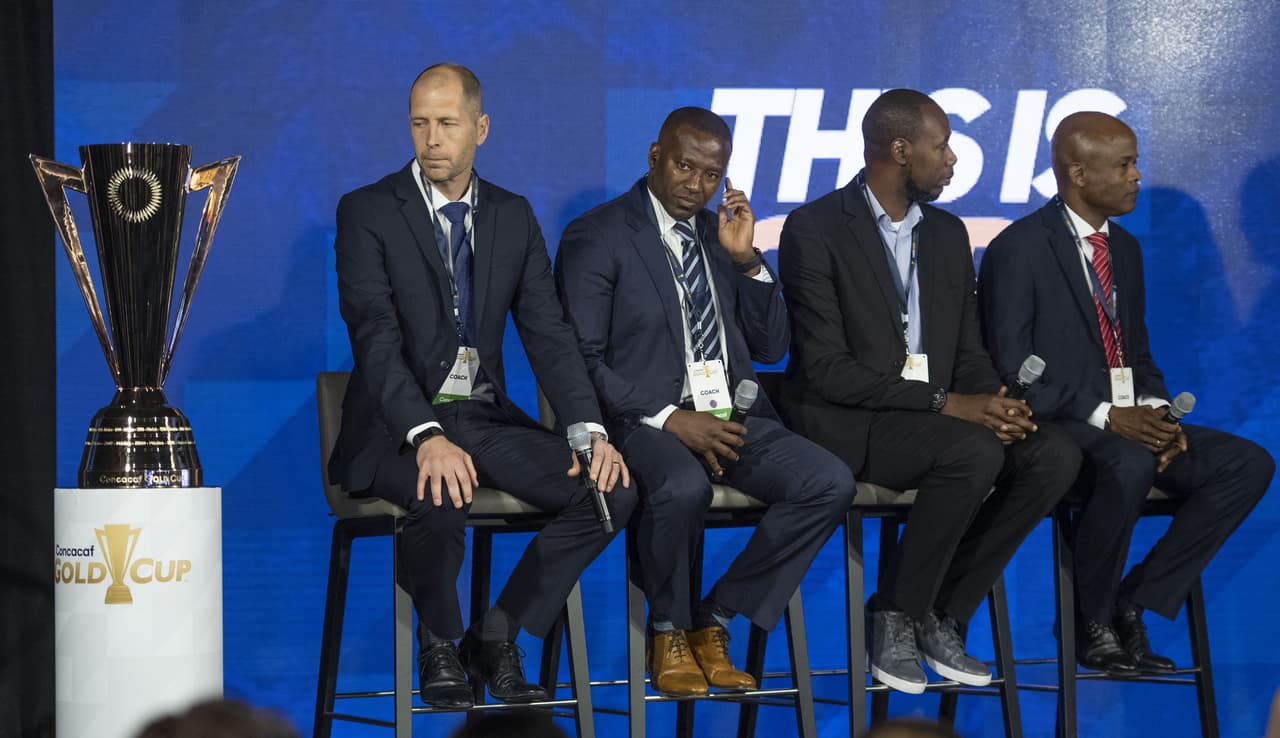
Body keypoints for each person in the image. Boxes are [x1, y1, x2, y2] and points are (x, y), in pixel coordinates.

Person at [329, 63, 636, 707]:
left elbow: (548, 334)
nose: (431, 139)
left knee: (609, 490)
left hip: (484, 418)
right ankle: (438, 641)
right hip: (395, 428)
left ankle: (497, 632)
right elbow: (375, 337)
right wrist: (426, 434)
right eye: (419, 123)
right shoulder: (367, 212)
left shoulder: (512, 216)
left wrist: (589, 431)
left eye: (447, 123)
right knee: (439, 488)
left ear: (481, 128)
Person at [777, 88, 1079, 694]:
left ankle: (943, 611)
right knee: (971, 451)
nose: (952, 160)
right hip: (849, 419)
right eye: (940, 146)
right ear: (898, 149)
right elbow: (829, 369)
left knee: (1052, 455)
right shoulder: (814, 228)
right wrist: (951, 405)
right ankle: (893, 612)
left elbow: (965, 352)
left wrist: (992, 403)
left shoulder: (945, 233)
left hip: (930, 417)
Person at [555, 107, 855, 696]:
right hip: (643, 419)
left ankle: (712, 618)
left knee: (829, 482)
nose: (695, 185)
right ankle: (667, 630)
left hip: (731, 417)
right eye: (684, 166)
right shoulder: (598, 234)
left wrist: (746, 259)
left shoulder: (720, 238)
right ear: (654, 157)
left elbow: (770, 346)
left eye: (710, 175)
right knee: (682, 487)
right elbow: (583, 359)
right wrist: (672, 418)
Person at [978, 111, 1273, 675]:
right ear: (1078, 173)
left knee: (1247, 464)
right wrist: (1108, 415)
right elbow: (1014, 367)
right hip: (1057, 424)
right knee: (1130, 462)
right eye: (1125, 164)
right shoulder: (1019, 247)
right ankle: (1090, 620)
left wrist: (1160, 415)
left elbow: (1135, 355)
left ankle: (1132, 601)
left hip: (1127, 423)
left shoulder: (1127, 250)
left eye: (1135, 163)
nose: (1137, 175)